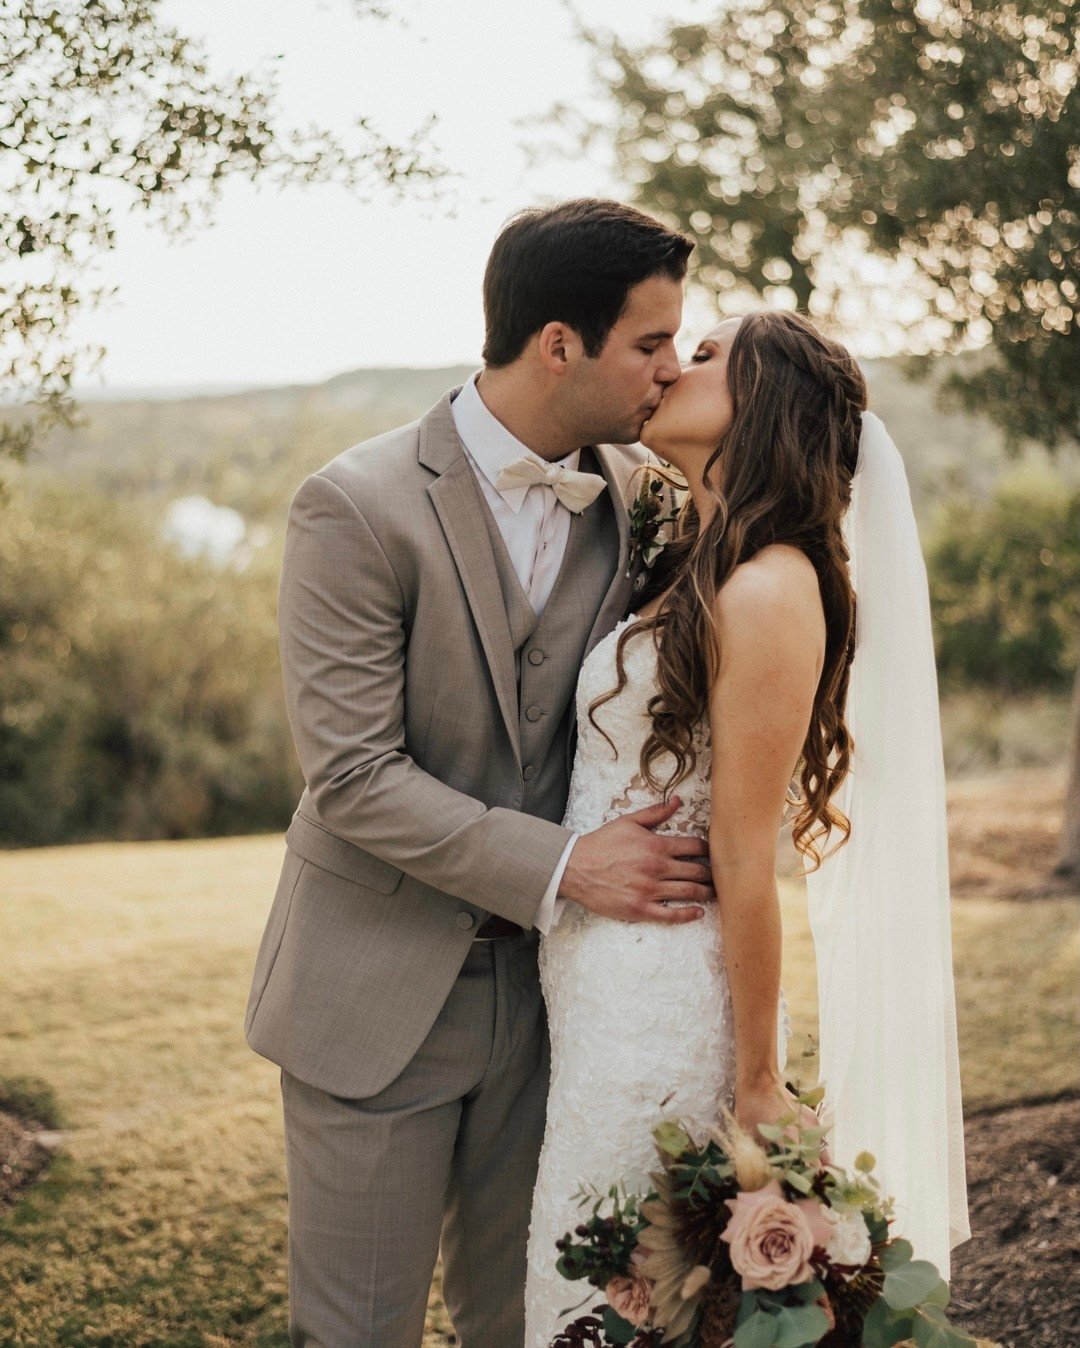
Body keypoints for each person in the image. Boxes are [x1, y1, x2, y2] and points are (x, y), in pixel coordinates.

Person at [244, 198, 719, 1348]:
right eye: (649, 344)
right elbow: (353, 775)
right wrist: (568, 864)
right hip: (377, 992)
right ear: (560, 344)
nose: (668, 370)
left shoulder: (640, 498)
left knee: (529, 1322)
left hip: (560, 1006)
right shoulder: (354, 506)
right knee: (358, 1329)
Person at [523, 310, 970, 1345]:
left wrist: (759, 1077)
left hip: (660, 994)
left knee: (615, 1296)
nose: (677, 364)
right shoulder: (695, 556)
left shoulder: (771, 587)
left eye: (711, 353)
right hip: (594, 975)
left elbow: (745, 855)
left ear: (764, 403)